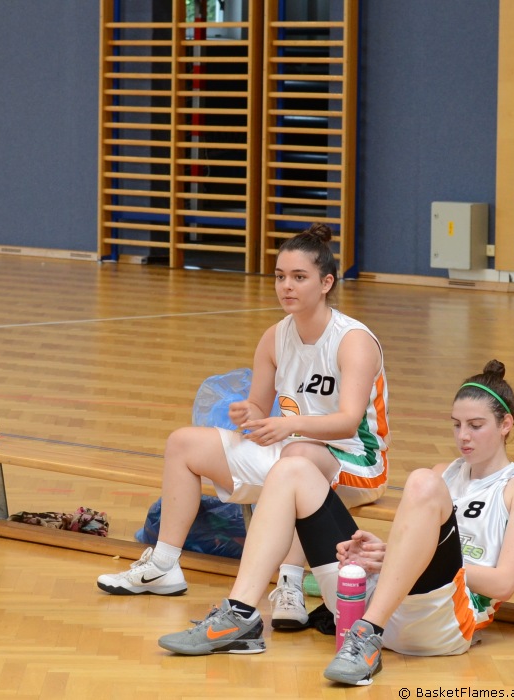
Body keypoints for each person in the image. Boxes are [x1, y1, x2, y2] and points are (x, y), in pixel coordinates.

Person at [156, 360, 514, 689]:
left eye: (476, 425)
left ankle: (368, 636)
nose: (463, 436)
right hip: (382, 603)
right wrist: (375, 551)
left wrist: (394, 558)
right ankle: (240, 614)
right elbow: (408, 549)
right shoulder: (444, 471)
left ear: (505, 425)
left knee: (421, 482)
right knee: (293, 469)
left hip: (443, 621)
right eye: (456, 424)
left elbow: (504, 583)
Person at [97, 223, 390, 629]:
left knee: (297, 456)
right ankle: (163, 564)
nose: (286, 286)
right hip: (293, 449)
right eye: (280, 276)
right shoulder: (274, 337)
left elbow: (348, 421)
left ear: (326, 283)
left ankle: (289, 584)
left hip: (355, 460)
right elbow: (258, 405)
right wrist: (247, 413)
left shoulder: (352, 340)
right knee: (183, 443)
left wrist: (289, 426)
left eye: (299, 277)